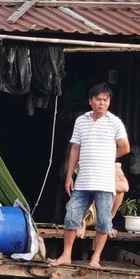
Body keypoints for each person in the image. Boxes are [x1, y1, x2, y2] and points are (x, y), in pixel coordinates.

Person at [53, 83, 129, 268]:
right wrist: (69, 176)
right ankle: (66, 255)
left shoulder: (114, 122)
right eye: (98, 99)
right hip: (83, 181)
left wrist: (106, 155)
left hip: (104, 183)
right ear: (90, 101)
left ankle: (95, 259)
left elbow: (125, 147)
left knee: (104, 222)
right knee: (71, 217)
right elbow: (75, 149)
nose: (102, 103)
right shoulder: (81, 121)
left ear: (109, 102)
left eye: (106, 100)